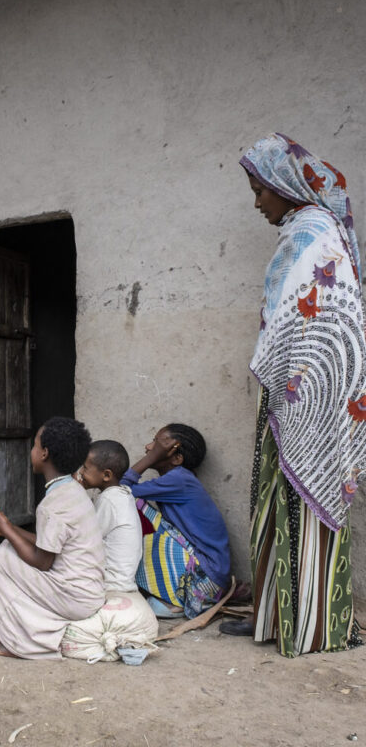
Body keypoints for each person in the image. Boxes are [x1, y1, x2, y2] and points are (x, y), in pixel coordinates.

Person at [219, 133, 365, 656]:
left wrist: (294, 384)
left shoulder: (314, 236)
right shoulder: (306, 234)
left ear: (283, 184)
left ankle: (310, 623)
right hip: (296, 392)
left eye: (259, 189)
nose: (257, 201)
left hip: (310, 398)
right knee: (278, 496)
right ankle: (279, 614)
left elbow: (324, 324)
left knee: (300, 496)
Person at [0, 417, 105, 659]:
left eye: (34, 445)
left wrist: (6, 529)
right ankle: (10, 627)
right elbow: (48, 543)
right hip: (87, 591)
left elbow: (43, 561)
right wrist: (7, 527)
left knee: (1, 559)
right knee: (8, 548)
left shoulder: (53, 505)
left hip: (75, 597)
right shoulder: (72, 489)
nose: (31, 450)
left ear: (44, 453)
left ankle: (22, 642)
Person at [121, 424, 230, 619]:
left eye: (156, 445)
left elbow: (119, 490)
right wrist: (154, 453)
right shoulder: (178, 479)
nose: (147, 447)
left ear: (177, 459)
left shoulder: (178, 480)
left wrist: (149, 459)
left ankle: (176, 601)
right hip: (210, 578)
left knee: (132, 503)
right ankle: (171, 594)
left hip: (205, 580)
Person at [76, 439, 142, 593]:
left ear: (106, 475)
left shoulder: (109, 500)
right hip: (120, 579)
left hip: (112, 582)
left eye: (85, 468)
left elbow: (85, 539)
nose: (80, 472)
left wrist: (75, 494)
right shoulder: (119, 494)